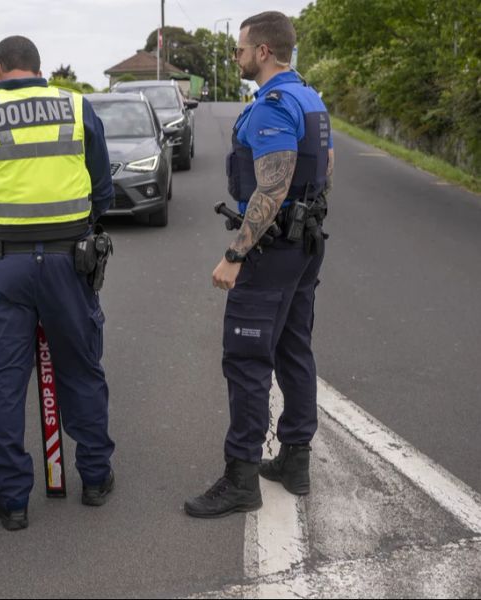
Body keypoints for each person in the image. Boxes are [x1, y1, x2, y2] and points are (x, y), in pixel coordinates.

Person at [0, 35, 116, 531]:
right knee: (82, 370)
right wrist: (75, 228)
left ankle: (13, 499)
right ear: (39, 68)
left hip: (5, 266)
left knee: (5, 381)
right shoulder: (78, 108)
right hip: (69, 263)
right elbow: (101, 189)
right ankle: (97, 477)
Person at [183, 11, 334, 518]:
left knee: (247, 363)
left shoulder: (272, 105)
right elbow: (325, 168)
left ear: (263, 51)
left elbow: (273, 186)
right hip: (305, 245)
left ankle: (241, 478)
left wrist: (235, 255)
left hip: (270, 251)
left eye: (240, 49)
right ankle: (295, 460)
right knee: (294, 349)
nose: (237, 57)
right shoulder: (311, 99)